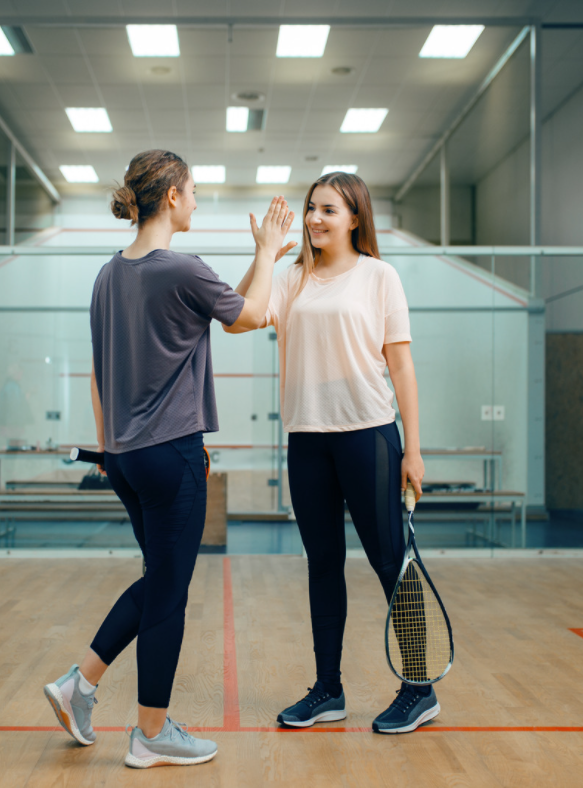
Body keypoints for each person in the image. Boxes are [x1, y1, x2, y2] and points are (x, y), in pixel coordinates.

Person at [42, 149, 295, 768]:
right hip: (170, 455)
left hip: (124, 458)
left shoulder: (110, 274)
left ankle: (80, 685)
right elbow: (253, 316)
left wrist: (109, 450)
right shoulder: (180, 267)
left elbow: (104, 372)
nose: (199, 202)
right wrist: (266, 253)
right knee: (170, 593)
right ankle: (151, 733)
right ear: (174, 196)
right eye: (195, 191)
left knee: (160, 579)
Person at [223, 171, 434, 734]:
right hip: (307, 441)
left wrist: (413, 449)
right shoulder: (292, 280)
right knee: (323, 566)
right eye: (311, 208)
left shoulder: (379, 276)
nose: (315, 218)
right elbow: (240, 318)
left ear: (355, 217)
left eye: (329, 210)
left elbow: (402, 365)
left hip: (369, 435)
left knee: (391, 563)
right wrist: (266, 254)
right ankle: (329, 689)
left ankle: (420, 687)